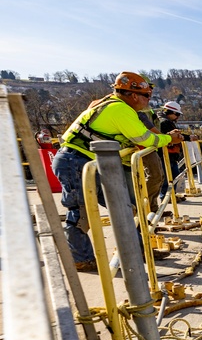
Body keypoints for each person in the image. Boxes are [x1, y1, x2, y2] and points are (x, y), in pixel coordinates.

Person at [52, 71, 181, 271]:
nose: (149, 100)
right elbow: (146, 139)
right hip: (76, 162)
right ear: (134, 95)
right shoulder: (120, 110)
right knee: (79, 213)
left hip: (90, 162)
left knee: (124, 208)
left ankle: (139, 250)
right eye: (147, 96)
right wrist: (169, 139)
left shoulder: (112, 105)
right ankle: (81, 259)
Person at [157, 101, 195, 203]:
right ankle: (166, 197)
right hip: (166, 154)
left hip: (170, 154)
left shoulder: (164, 121)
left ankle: (170, 196)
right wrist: (188, 137)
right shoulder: (165, 122)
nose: (177, 117)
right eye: (177, 114)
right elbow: (174, 137)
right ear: (169, 112)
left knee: (173, 175)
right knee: (170, 176)